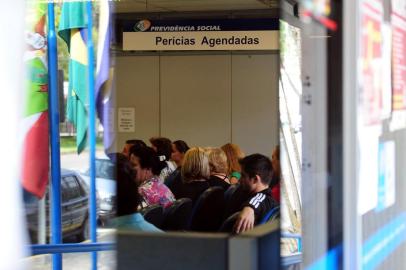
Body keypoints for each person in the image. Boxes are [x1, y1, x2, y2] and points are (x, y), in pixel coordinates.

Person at [108, 153, 162, 232]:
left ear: (147, 169)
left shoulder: (143, 191)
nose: (132, 170)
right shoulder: (159, 184)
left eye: (133, 165)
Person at [233, 154, 279, 234]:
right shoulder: (245, 192)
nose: (239, 180)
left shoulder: (265, 199)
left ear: (255, 179)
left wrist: (250, 207)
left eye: (243, 176)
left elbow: (259, 199)